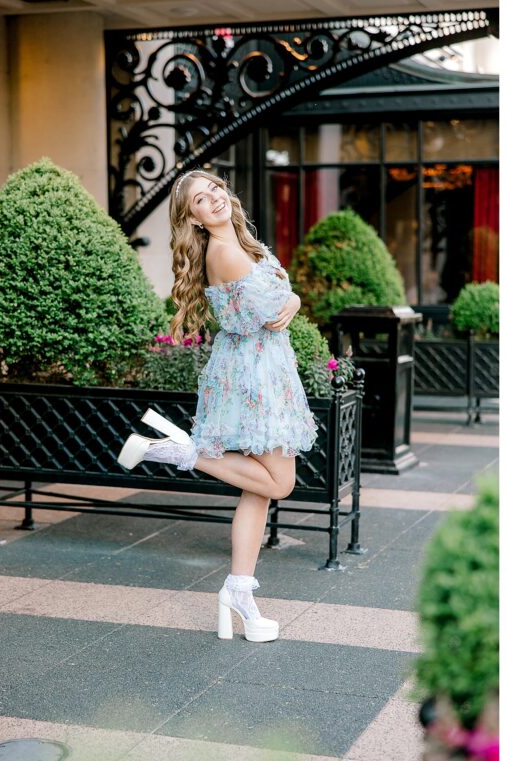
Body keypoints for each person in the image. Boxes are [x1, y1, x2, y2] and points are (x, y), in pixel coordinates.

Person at [116, 170, 319, 644]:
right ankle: (173, 451)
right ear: (194, 218)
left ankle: (239, 593)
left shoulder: (242, 243)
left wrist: (291, 295)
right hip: (254, 378)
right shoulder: (226, 252)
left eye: (216, 191)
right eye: (201, 201)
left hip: (259, 369)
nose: (215, 201)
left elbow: (281, 301)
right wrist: (289, 295)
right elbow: (272, 313)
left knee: (260, 491)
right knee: (281, 482)